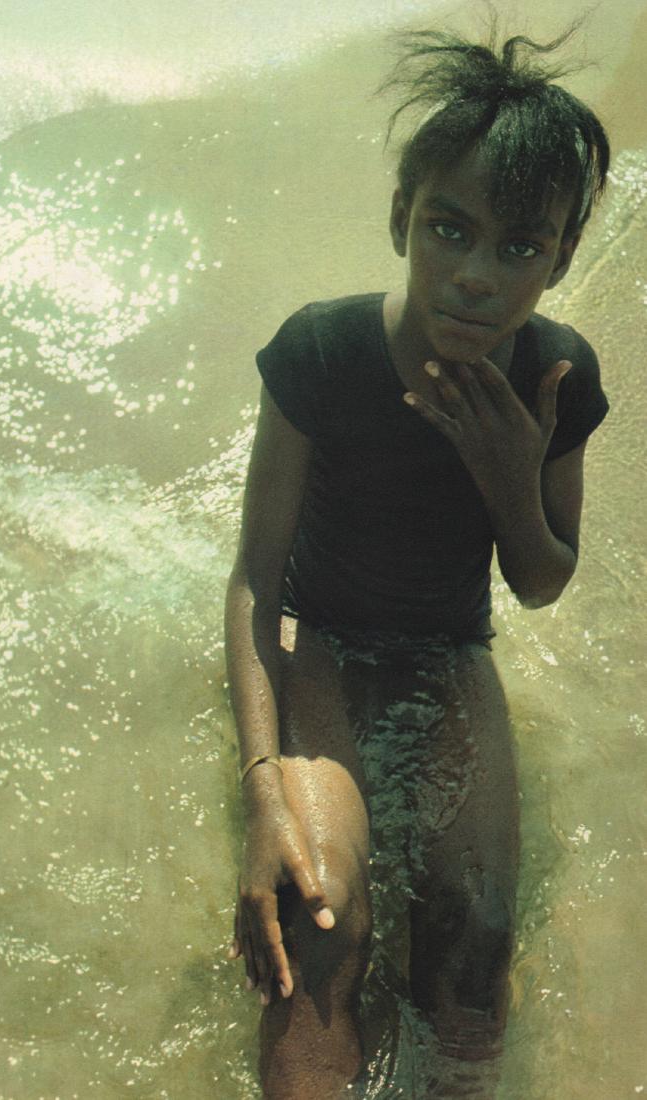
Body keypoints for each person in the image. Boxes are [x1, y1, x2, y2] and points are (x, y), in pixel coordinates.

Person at [224, 23, 610, 1100]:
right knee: (319, 916)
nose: (477, 277)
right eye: (449, 228)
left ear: (559, 259)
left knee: (474, 936)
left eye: (519, 247)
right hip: (319, 638)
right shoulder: (320, 352)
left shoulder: (554, 377)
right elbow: (256, 578)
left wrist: (508, 472)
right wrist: (263, 793)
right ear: (402, 217)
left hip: (447, 649)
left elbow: (540, 579)